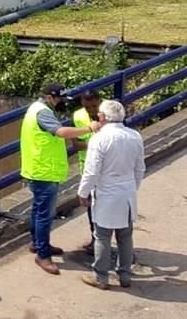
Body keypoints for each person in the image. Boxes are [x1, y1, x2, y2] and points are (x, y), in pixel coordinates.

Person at [20, 83, 102, 275]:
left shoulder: (37, 109)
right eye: (59, 99)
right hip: (44, 171)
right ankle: (43, 255)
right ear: (50, 97)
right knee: (44, 215)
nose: (60, 103)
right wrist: (89, 129)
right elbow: (61, 132)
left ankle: (38, 244)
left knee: (38, 210)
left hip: (38, 168)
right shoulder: (43, 112)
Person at [77, 99, 145, 290]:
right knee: (125, 235)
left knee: (102, 236)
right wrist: (132, 187)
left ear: (103, 117)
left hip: (107, 193)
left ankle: (101, 276)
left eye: (99, 114)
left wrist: (83, 193)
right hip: (127, 193)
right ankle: (124, 274)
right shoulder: (134, 136)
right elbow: (140, 168)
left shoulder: (99, 139)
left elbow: (91, 172)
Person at [74, 90, 102, 255]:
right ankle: (95, 239)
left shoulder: (110, 113)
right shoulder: (78, 116)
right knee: (91, 206)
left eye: (94, 106)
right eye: (87, 107)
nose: (91, 110)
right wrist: (96, 144)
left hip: (107, 170)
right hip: (88, 168)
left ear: (99, 101)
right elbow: (76, 145)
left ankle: (105, 241)